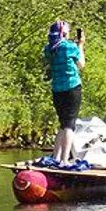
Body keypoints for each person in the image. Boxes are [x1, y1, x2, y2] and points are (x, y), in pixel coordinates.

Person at [43, 19, 85, 163]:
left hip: (57, 89)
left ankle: (55, 156)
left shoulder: (48, 49)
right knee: (69, 125)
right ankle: (64, 160)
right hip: (72, 87)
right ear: (64, 33)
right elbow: (81, 64)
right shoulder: (70, 47)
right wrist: (80, 45)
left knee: (62, 122)